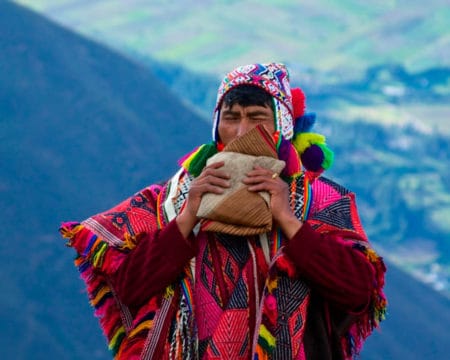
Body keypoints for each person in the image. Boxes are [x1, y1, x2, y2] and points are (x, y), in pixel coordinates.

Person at [61, 63, 387, 359]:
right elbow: (128, 288)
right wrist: (187, 218)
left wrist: (289, 222)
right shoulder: (170, 198)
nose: (242, 132)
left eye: (257, 117)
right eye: (231, 118)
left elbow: (359, 292)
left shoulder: (322, 200)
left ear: (283, 126)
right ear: (217, 126)